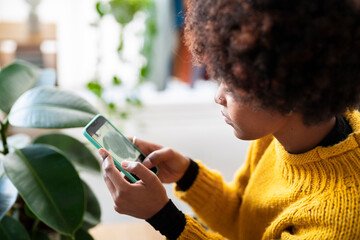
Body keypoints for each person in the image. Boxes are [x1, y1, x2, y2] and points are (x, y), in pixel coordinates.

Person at [98, 0, 360, 239]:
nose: (218, 96)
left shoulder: (339, 220)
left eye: (232, 86)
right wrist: (188, 174)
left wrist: (163, 217)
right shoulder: (278, 135)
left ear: (287, 93)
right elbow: (242, 218)